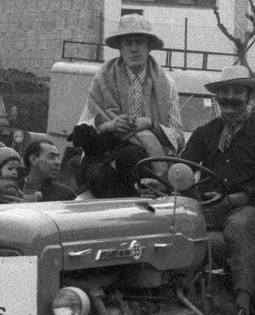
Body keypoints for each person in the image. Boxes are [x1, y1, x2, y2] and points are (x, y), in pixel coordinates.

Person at [178, 65, 255, 315]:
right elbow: (185, 165)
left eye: (237, 92)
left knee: (237, 227)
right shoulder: (206, 133)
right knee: (181, 229)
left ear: (249, 99)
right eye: (225, 93)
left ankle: (243, 306)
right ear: (217, 99)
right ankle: (184, 302)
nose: (230, 99)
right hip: (210, 208)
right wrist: (173, 177)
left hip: (248, 208)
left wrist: (232, 199)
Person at [71, 14, 186, 198]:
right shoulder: (102, 78)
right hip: (105, 157)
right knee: (102, 176)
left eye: (139, 42)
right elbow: (83, 127)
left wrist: (149, 124)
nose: (134, 49)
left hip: (148, 163)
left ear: (149, 47)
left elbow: (179, 140)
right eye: (128, 43)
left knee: (132, 160)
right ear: (120, 49)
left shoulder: (167, 84)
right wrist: (112, 125)